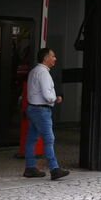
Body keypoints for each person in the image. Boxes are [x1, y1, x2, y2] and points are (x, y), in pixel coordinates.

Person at [24, 48, 69, 180]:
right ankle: (54, 169)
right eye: (53, 56)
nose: (55, 59)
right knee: (49, 139)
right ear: (45, 58)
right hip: (42, 110)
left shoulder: (33, 71)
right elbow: (46, 94)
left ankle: (30, 167)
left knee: (31, 139)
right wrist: (55, 98)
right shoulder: (43, 73)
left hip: (32, 108)